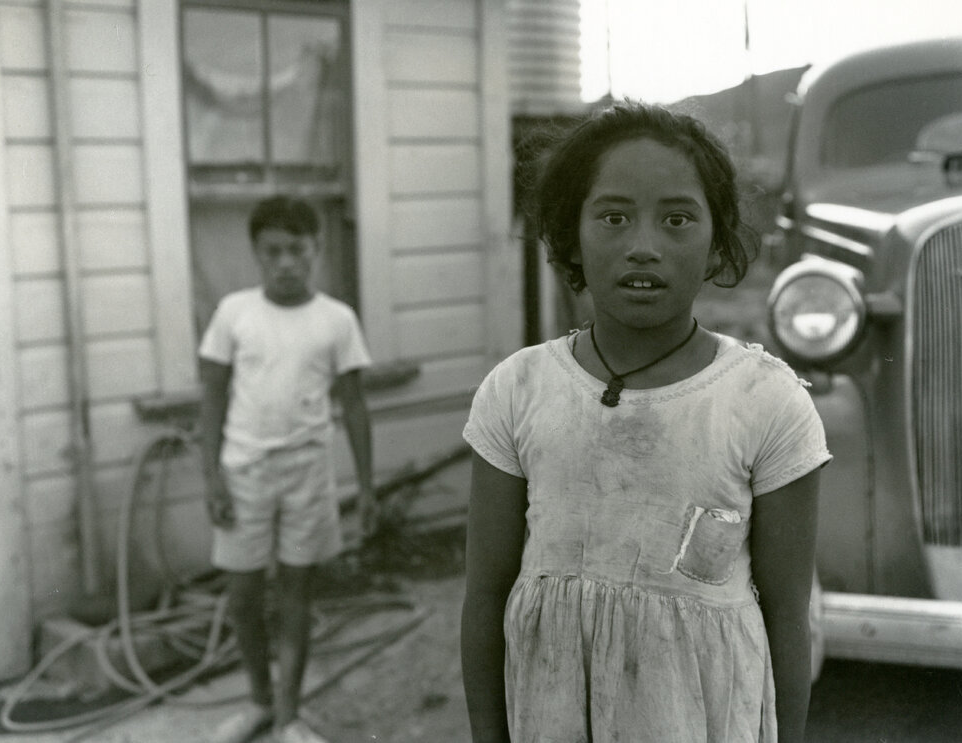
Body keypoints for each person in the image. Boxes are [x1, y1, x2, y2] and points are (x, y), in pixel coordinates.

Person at [460, 102, 830, 743]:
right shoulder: (517, 391)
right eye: (613, 217)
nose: (643, 247)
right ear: (571, 234)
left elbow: (789, 621)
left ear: (716, 241)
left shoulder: (766, 402)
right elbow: (486, 597)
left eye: (677, 219)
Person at [200, 195, 375, 743]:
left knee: (297, 592)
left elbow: (354, 406)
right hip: (244, 471)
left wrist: (367, 487)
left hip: (308, 472)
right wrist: (211, 477)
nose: (286, 263)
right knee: (244, 596)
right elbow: (211, 398)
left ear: (316, 249)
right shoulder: (234, 313)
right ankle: (258, 701)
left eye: (297, 250)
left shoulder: (337, 320)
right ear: (256, 252)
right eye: (273, 251)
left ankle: (288, 716)